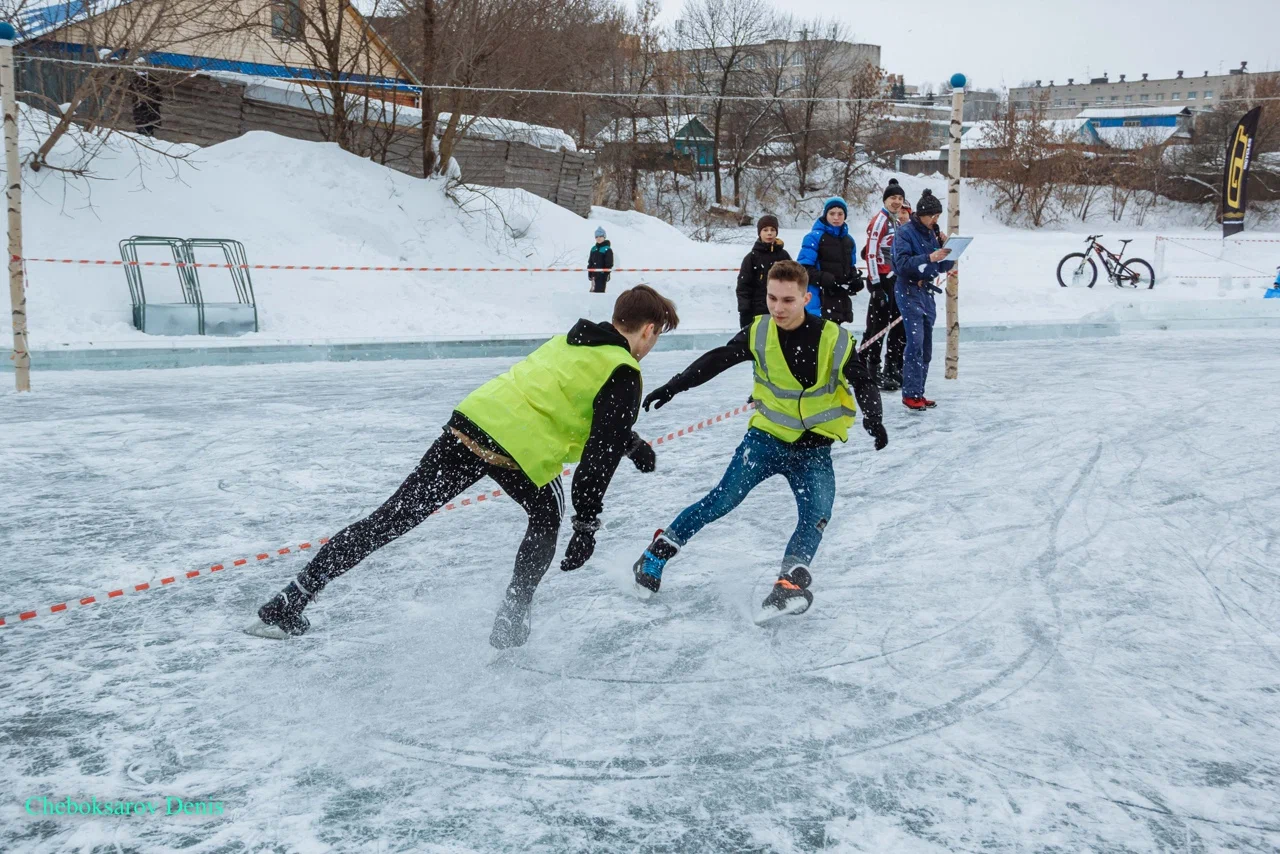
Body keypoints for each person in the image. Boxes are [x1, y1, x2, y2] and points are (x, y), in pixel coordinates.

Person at [246, 285, 680, 649]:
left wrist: (631, 442)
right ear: (648, 330)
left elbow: (569, 401)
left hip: (471, 425)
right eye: (656, 336)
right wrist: (586, 525)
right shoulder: (624, 370)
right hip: (518, 451)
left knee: (389, 519)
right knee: (547, 515)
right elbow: (596, 460)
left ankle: (289, 601)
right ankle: (512, 620)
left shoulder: (572, 342)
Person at [630, 260, 887, 624]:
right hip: (765, 440)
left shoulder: (833, 337)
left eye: (787, 300)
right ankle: (656, 553)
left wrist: (874, 417)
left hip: (814, 448)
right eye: (771, 298)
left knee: (817, 515)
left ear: (806, 298)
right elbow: (718, 359)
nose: (778, 308)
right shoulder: (759, 332)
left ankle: (789, 584)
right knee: (722, 500)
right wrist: (676, 385)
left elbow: (862, 380)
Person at [892, 189, 954, 412]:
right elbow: (901, 264)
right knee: (915, 343)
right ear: (923, 214)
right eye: (933, 216)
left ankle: (919, 391)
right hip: (908, 291)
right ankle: (909, 393)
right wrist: (928, 257)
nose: (936, 220)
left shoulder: (933, 233)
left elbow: (942, 267)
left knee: (926, 345)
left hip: (926, 293)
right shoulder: (905, 233)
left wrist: (950, 252)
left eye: (938, 216)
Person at [862, 179, 911, 391]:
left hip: (894, 279)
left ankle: (892, 367)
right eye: (893, 198)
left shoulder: (896, 221)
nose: (897, 202)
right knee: (878, 327)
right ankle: (871, 370)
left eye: (900, 198)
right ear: (885, 199)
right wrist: (876, 284)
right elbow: (870, 253)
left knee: (897, 325)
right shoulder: (880, 220)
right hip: (881, 279)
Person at [796, 197, 863, 326]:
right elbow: (802, 270)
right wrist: (825, 278)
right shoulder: (813, 237)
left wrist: (855, 280)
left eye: (840, 214)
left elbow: (850, 267)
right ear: (826, 214)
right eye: (832, 213)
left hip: (840, 300)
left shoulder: (849, 240)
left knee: (835, 340)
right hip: (818, 299)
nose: (836, 217)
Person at [735, 214, 791, 329]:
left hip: (781, 310)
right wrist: (744, 311)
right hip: (757, 312)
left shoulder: (784, 256)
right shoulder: (751, 258)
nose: (769, 233)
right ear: (759, 233)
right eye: (765, 230)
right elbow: (743, 286)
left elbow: (793, 282)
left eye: (772, 230)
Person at [588, 227, 614, 294]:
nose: (598, 238)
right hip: (594, 275)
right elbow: (590, 261)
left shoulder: (607, 249)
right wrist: (589, 272)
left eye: (600, 236)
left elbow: (609, 263)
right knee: (593, 292)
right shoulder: (593, 249)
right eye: (596, 237)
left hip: (602, 275)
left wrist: (606, 274)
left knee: (599, 293)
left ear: (604, 237)